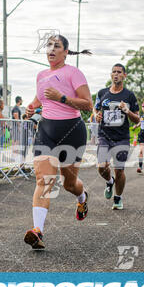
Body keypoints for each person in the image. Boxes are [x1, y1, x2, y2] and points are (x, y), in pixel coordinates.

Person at [24, 34, 92, 249]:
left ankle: (82, 198)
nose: (51, 49)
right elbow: (39, 99)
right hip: (47, 131)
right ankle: (38, 231)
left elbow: (88, 104)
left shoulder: (73, 73)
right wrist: (31, 107)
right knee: (44, 180)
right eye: (49, 46)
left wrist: (62, 98)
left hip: (72, 131)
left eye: (57, 46)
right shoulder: (41, 75)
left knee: (69, 184)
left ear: (65, 51)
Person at [94, 63, 139, 210]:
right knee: (101, 167)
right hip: (104, 135)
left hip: (122, 138)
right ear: (110, 75)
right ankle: (109, 181)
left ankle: (118, 198)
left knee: (119, 170)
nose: (116, 74)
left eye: (119, 72)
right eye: (114, 72)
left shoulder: (129, 95)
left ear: (124, 75)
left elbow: (137, 119)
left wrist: (127, 111)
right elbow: (95, 111)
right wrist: (97, 116)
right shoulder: (102, 93)